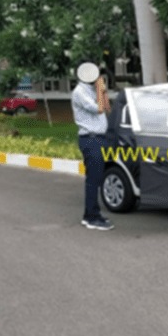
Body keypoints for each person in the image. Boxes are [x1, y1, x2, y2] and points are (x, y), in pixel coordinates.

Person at [72, 61, 114, 231]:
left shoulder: (91, 89)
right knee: (93, 180)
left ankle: (92, 213)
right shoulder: (79, 92)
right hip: (90, 140)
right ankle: (91, 217)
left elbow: (107, 107)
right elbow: (99, 109)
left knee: (96, 178)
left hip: (100, 139)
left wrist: (102, 89)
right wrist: (100, 88)